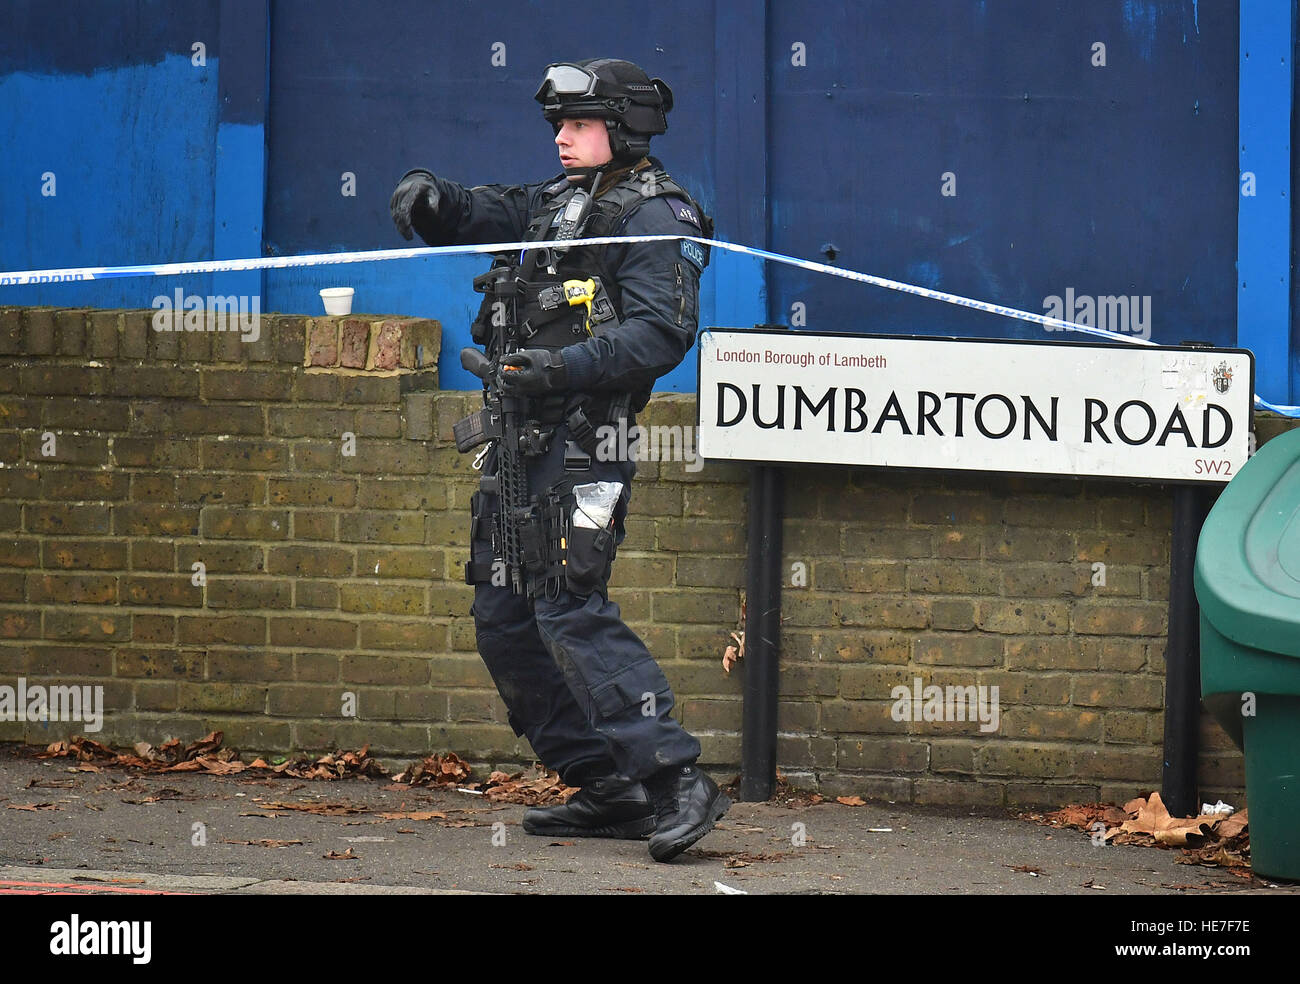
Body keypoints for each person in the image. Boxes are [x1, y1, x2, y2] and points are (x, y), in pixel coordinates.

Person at [389, 58, 729, 862]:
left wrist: (563, 368)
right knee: (504, 620)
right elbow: (483, 211)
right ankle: (605, 782)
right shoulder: (556, 202)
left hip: (586, 441)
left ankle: (677, 781)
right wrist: (432, 197)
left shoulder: (658, 216)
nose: (563, 139)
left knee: (570, 610)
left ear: (624, 127)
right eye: (557, 127)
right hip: (515, 442)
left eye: (577, 125)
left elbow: (660, 334)